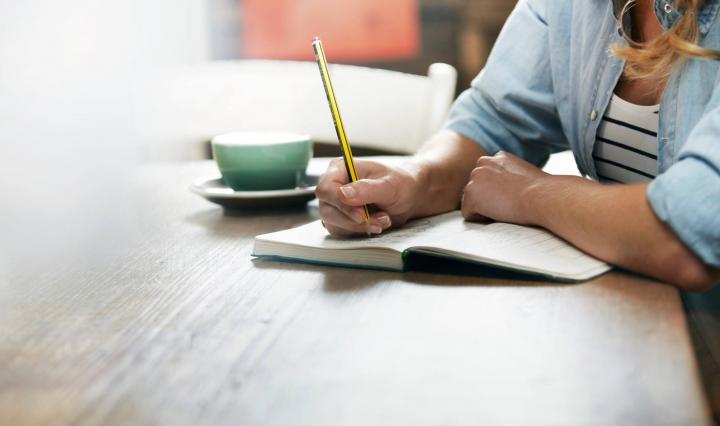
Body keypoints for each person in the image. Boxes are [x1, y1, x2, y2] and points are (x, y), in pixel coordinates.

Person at [316, 0, 720, 414]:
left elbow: (688, 237)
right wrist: (416, 180)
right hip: (622, 331)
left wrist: (532, 194)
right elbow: (493, 120)